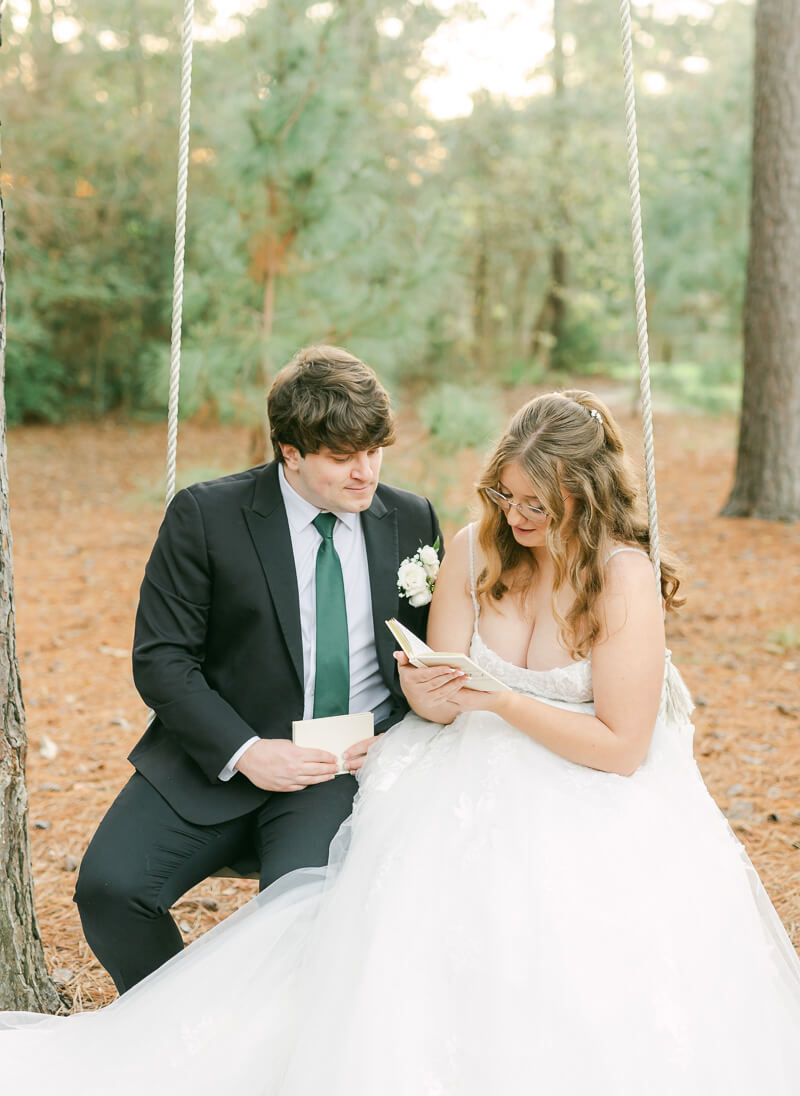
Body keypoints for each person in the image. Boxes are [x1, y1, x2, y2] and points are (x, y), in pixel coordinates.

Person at [2, 390, 799, 1096]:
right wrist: (426, 689)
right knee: (162, 896)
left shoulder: (608, 574)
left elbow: (622, 747)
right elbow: (433, 684)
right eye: (506, 495)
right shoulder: (466, 543)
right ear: (291, 453)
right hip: (381, 759)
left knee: (448, 919)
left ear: (584, 502)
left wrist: (498, 702)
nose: (518, 518)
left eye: (539, 507)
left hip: (567, 779)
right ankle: (186, 1037)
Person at [72, 344, 443, 993]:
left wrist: (400, 736)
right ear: (290, 452)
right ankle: (179, 1028)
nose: (366, 473)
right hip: (217, 750)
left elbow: (433, 652)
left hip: (340, 765)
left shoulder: (411, 519)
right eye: (342, 456)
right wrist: (245, 751)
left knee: (296, 923)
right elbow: (162, 659)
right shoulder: (206, 516)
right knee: (111, 890)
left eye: (375, 450)